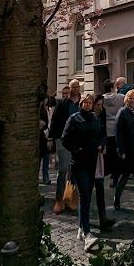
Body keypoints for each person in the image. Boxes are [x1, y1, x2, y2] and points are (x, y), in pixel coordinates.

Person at [61, 92, 103, 251]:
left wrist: (101, 144)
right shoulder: (74, 119)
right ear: (81, 104)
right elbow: (65, 139)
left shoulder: (95, 118)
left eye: (90, 103)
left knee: (87, 196)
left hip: (92, 162)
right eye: (85, 102)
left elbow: (101, 134)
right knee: (84, 195)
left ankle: (81, 228)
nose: (87, 105)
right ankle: (87, 232)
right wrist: (75, 149)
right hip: (78, 163)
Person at [50, 81, 80, 214]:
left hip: (77, 142)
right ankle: (58, 199)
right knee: (63, 169)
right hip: (63, 140)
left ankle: (70, 198)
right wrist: (51, 138)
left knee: (73, 170)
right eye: (73, 87)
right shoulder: (62, 104)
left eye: (77, 87)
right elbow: (54, 120)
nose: (75, 89)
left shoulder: (82, 103)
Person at [91, 96, 115, 233]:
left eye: (101, 104)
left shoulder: (102, 113)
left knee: (100, 186)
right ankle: (88, 221)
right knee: (89, 190)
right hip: (88, 158)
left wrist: (103, 143)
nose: (100, 107)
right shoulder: (86, 117)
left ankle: (102, 218)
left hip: (99, 156)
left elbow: (103, 131)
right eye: (98, 105)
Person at [102, 79, 123, 186]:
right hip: (116, 129)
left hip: (106, 129)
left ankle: (108, 172)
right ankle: (116, 175)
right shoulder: (120, 97)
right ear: (112, 87)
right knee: (116, 154)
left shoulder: (102, 99)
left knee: (108, 153)